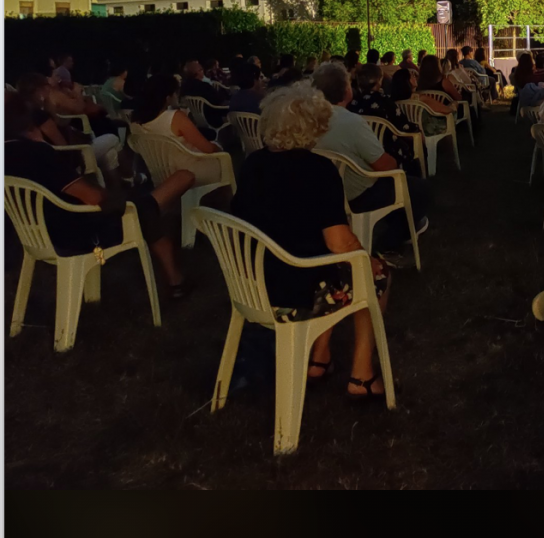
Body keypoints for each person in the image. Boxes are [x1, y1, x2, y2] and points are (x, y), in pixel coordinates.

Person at [231, 84, 391, 392]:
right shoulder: (318, 170)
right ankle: (362, 374)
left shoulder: (253, 165)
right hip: (295, 290)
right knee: (374, 274)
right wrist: (366, 259)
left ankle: (320, 357)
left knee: (331, 267)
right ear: (313, 126)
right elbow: (339, 243)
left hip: (254, 282)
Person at [6, 92, 194, 297]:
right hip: (76, 232)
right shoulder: (35, 153)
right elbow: (94, 198)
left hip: (36, 233)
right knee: (158, 199)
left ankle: (175, 278)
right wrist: (119, 199)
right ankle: (175, 279)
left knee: (146, 209)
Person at [312, 62, 428, 251]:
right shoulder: (351, 122)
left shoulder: (305, 121)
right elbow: (385, 166)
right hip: (358, 194)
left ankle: (400, 221)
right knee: (421, 189)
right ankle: (386, 245)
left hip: (321, 193)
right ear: (345, 90)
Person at [131, 75, 227, 188]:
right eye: (175, 93)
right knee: (223, 159)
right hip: (188, 172)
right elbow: (208, 149)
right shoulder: (174, 118)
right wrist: (219, 147)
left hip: (159, 173)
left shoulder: (134, 122)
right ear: (167, 98)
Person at [348, 63, 423, 176]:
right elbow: (403, 126)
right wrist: (417, 129)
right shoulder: (385, 101)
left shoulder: (354, 103)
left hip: (361, 153)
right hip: (387, 151)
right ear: (379, 80)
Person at [391, 67, 456, 137]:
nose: (415, 77)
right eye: (412, 76)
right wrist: (454, 105)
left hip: (410, 131)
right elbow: (445, 110)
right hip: (428, 130)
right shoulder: (419, 98)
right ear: (407, 81)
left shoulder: (395, 102)